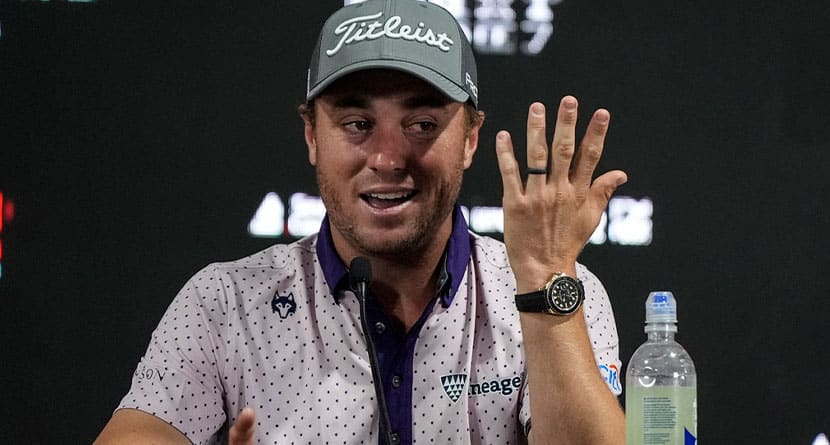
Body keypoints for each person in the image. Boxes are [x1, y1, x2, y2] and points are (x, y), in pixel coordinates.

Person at [95, 0, 627, 443]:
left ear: (469, 139)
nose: (389, 158)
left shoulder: (555, 291)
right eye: (356, 123)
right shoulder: (224, 303)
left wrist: (543, 276)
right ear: (311, 135)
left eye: (422, 124)